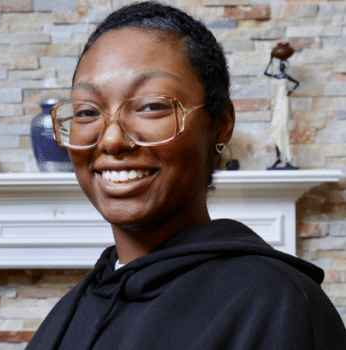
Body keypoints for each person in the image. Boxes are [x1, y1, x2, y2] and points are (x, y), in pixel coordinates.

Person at [26, 2, 346, 349]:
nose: (113, 139)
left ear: (221, 124)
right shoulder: (68, 315)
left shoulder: (280, 306)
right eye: (87, 111)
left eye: (152, 105)